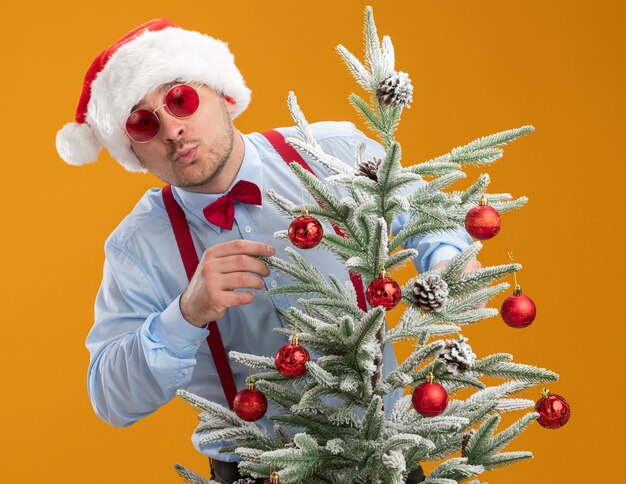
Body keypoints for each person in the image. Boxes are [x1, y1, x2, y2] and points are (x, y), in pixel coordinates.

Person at [56, 19, 480, 484]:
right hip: (254, 473)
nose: (172, 129)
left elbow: (430, 219)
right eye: (142, 122)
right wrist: (186, 314)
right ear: (133, 152)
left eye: (180, 99)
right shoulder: (136, 247)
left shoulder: (331, 152)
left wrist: (446, 262)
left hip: (383, 462)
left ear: (224, 94)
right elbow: (112, 399)